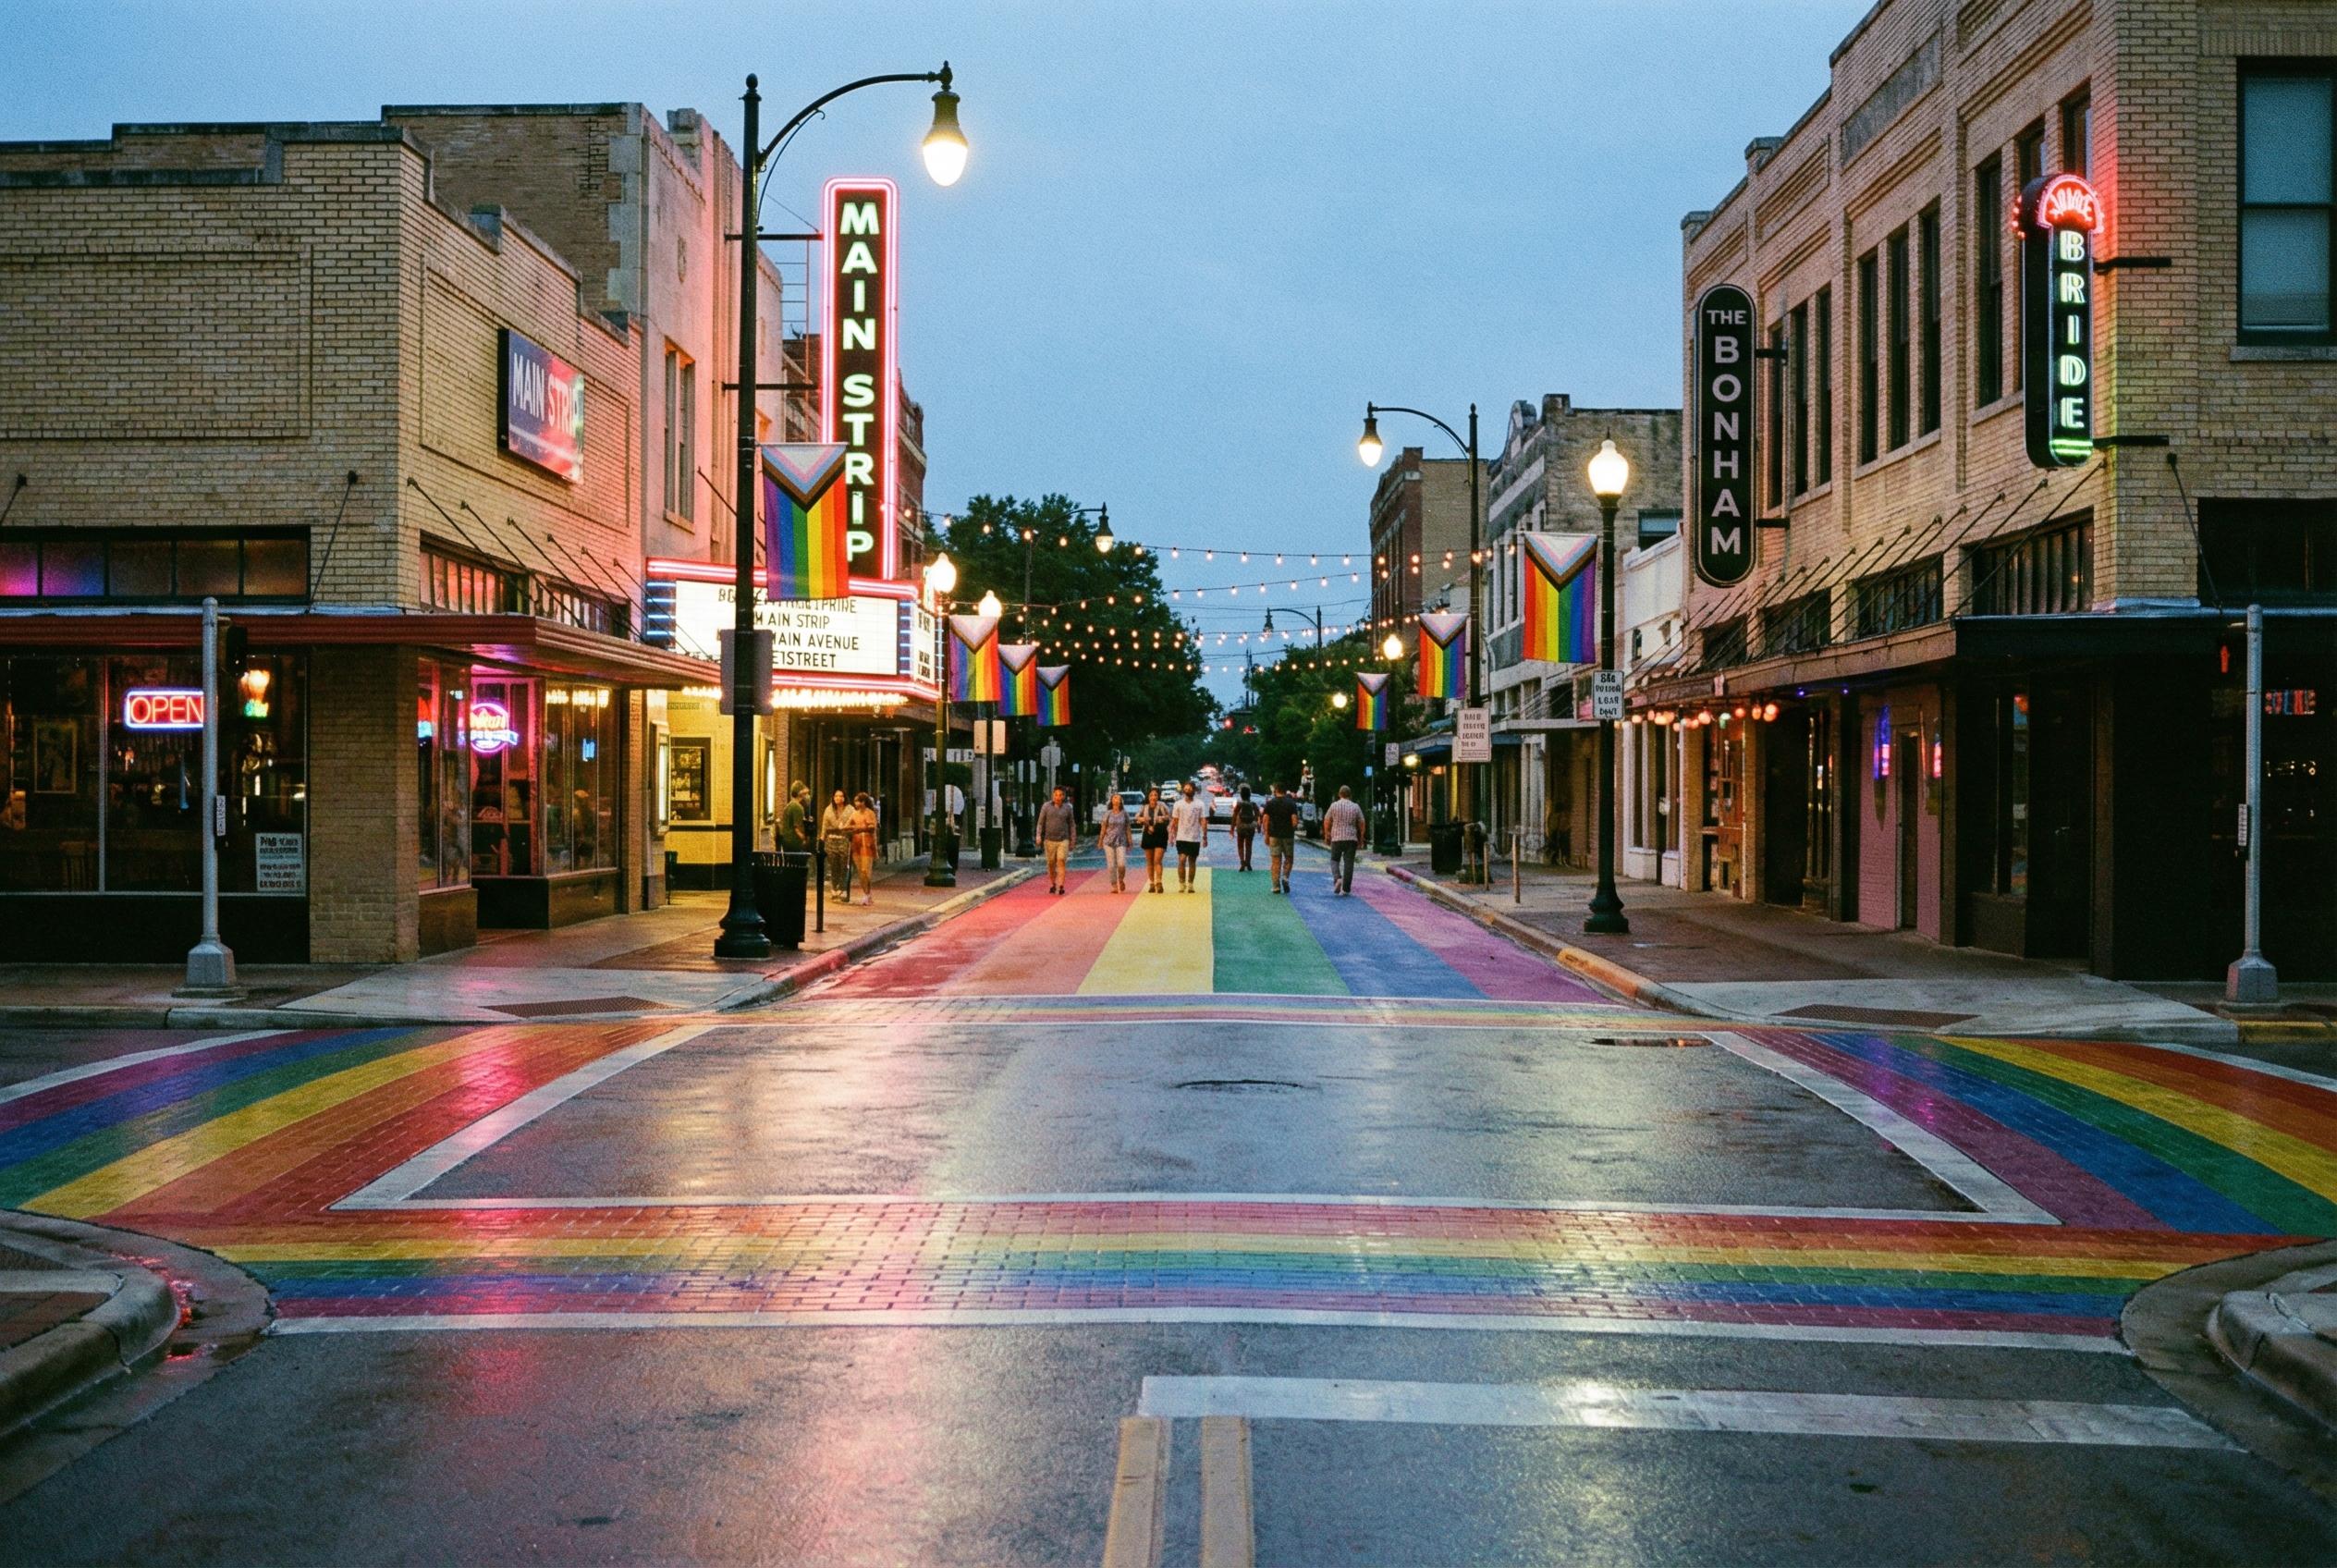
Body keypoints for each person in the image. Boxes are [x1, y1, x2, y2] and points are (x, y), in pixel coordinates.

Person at [1324, 784, 1366, 896]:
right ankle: (1346, 889)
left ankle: (1337, 878)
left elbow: (1327, 820)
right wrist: (1361, 837)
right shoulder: (1355, 807)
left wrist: (1327, 834)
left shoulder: (1334, 806)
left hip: (1336, 837)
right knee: (1349, 863)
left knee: (1334, 860)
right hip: (1351, 839)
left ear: (1339, 794)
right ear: (1350, 795)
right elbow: (1362, 822)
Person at [1037, 785, 1078, 895]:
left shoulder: (1068, 808)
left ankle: (1061, 885)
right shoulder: (1046, 807)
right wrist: (1038, 836)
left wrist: (1073, 839)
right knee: (1051, 863)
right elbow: (1040, 823)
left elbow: (1072, 825)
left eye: (1060, 795)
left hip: (1063, 840)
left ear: (1063, 796)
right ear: (1053, 795)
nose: (1058, 797)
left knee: (1061, 860)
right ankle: (1053, 883)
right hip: (1049, 840)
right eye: (1056, 795)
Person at [1260, 782, 1300, 894]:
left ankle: (1276, 886)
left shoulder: (1270, 803)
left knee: (1275, 861)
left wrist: (1266, 834)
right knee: (1289, 859)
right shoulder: (1291, 804)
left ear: (1276, 790)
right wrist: (1292, 828)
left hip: (1274, 835)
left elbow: (1265, 820)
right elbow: (1294, 821)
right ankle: (1285, 877)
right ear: (1285, 791)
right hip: (1288, 836)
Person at [1169, 780, 1209, 893]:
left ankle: (1190, 884)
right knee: (1182, 859)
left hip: (1194, 837)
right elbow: (1174, 821)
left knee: (1192, 861)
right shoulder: (1178, 804)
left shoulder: (1200, 804)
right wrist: (1171, 836)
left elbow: (1203, 821)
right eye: (1186, 789)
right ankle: (1182, 883)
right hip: (1181, 837)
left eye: (1190, 789)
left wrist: (1205, 836)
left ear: (1194, 790)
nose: (1187, 791)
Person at [1135, 786, 1171, 894]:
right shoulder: (1144, 807)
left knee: (1157, 860)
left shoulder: (1162, 805)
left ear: (1158, 796)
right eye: (1151, 795)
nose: (1153, 797)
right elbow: (1137, 817)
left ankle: (1159, 882)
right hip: (1148, 833)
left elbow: (1169, 817)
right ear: (1148, 797)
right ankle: (1151, 883)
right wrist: (1143, 819)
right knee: (1150, 861)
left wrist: (1162, 818)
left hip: (1160, 833)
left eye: (1155, 795)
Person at [821, 788, 854, 900]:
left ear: (844, 798)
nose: (838, 798)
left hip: (844, 839)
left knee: (843, 864)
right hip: (831, 839)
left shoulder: (850, 810)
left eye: (840, 796)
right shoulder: (828, 809)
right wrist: (822, 838)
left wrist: (847, 830)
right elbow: (824, 825)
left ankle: (842, 887)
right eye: (836, 796)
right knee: (833, 864)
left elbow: (854, 824)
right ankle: (834, 887)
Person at [848, 791, 879, 906]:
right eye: (855, 801)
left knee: (866, 870)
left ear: (863, 802)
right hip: (856, 843)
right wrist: (845, 828)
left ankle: (867, 893)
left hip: (867, 844)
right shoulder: (854, 814)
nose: (856, 803)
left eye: (857, 801)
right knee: (860, 870)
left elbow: (872, 827)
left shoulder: (870, 813)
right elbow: (847, 825)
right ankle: (866, 893)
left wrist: (859, 828)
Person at [1097, 790, 1132, 893]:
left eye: (1118, 798)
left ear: (1121, 801)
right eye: (1114, 798)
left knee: (1121, 864)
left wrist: (1130, 841)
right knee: (1111, 865)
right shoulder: (1108, 813)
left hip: (1121, 841)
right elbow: (1103, 828)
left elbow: (1128, 828)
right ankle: (1114, 885)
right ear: (1111, 800)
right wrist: (1100, 841)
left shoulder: (1125, 814)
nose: (1116, 800)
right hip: (1108, 842)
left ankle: (1121, 879)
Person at [778, 780, 813, 858]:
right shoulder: (798, 807)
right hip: (794, 841)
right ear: (801, 794)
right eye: (806, 794)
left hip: (786, 841)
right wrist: (804, 839)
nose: (807, 796)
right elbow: (797, 828)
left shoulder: (789, 805)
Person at [1231, 786, 1258, 872]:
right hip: (1250, 826)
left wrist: (1232, 828)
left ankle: (1242, 862)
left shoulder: (1239, 804)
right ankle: (1248, 862)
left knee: (1240, 844)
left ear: (1241, 795)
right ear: (1249, 795)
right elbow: (1257, 815)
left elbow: (1234, 815)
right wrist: (1256, 824)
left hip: (1241, 826)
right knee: (1249, 845)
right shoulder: (1253, 804)